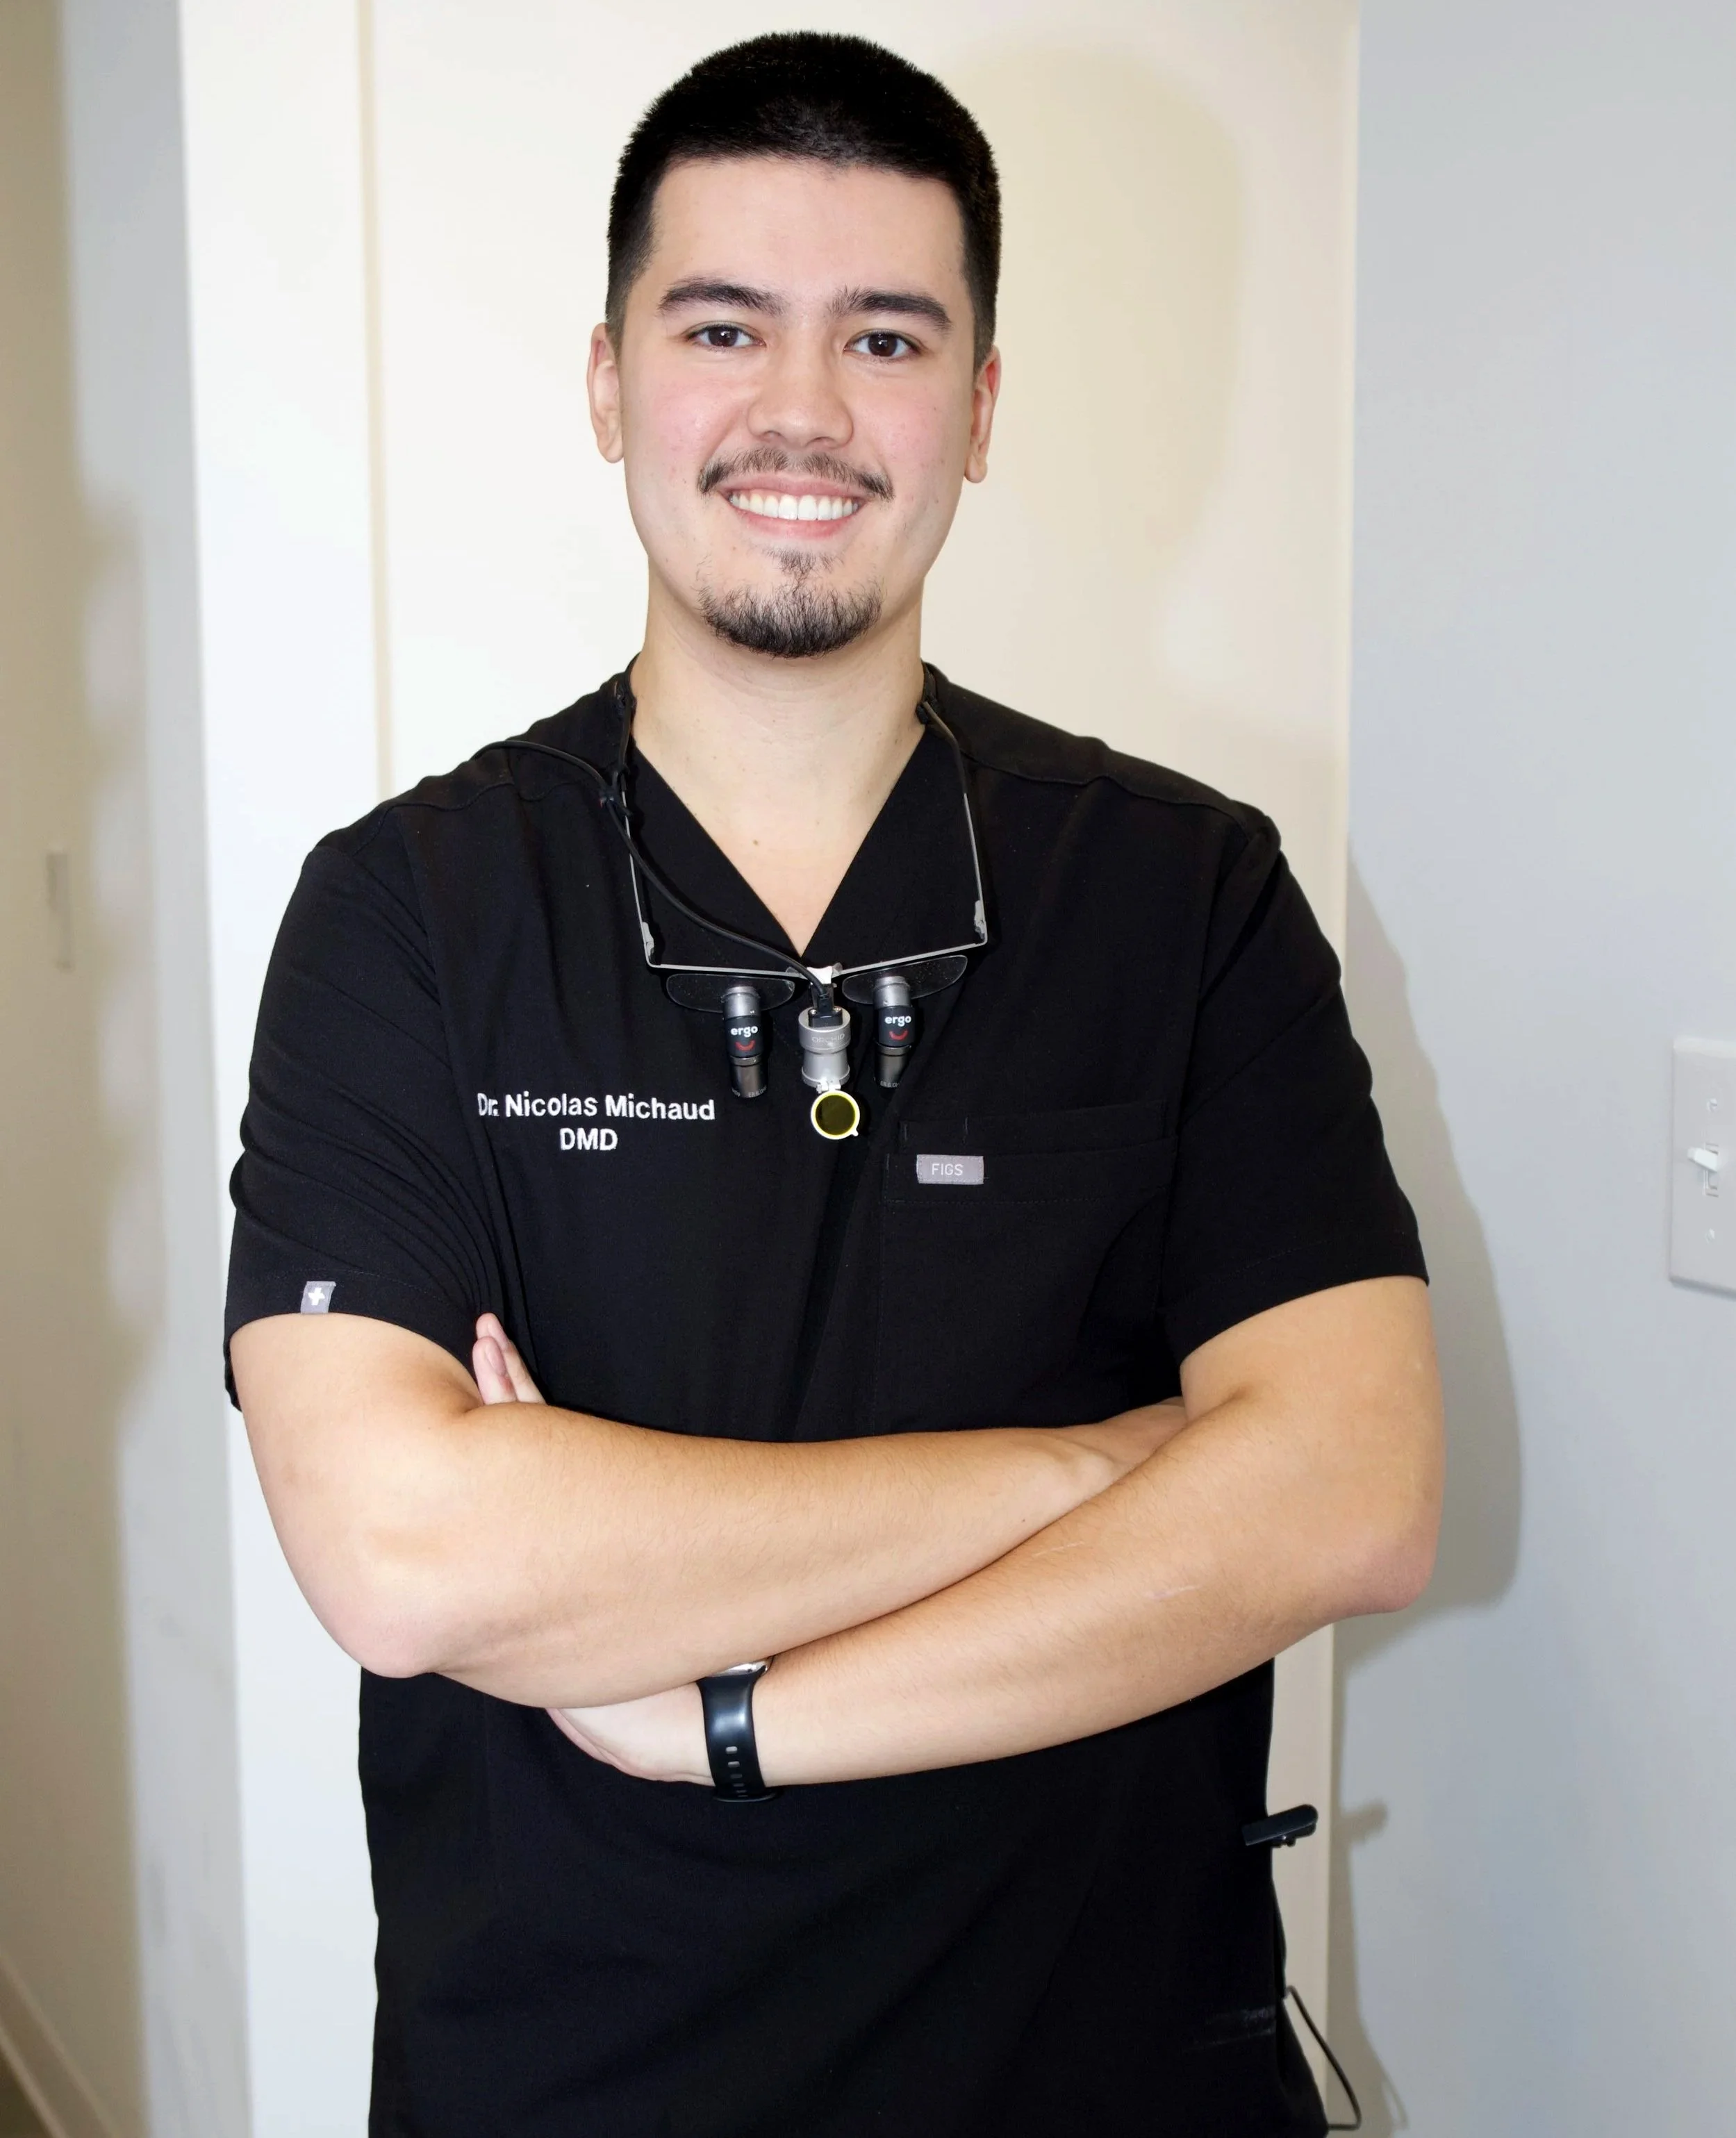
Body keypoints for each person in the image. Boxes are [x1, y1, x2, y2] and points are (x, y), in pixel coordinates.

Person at [226, 31, 1442, 2138]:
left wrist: (721, 1719)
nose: (802, 411)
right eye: (723, 327)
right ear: (610, 380)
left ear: (977, 410)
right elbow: (407, 1543)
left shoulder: (1185, 893)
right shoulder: (408, 910)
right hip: (571, 2080)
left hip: (1107, 2073)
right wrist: (1104, 1468)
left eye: (886, 336)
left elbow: (1352, 1492)